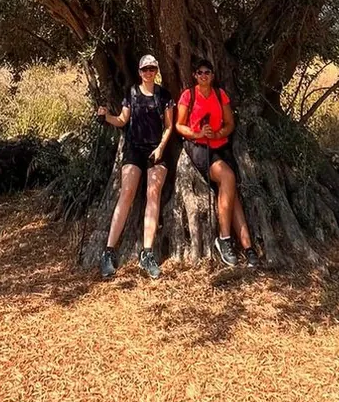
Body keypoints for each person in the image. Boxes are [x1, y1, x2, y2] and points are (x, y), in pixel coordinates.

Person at [95, 54, 174, 280]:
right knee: (127, 193)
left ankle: (147, 254)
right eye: (145, 69)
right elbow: (122, 120)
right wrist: (106, 117)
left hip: (155, 150)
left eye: (152, 69)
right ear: (139, 72)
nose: (149, 73)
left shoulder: (164, 95)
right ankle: (109, 252)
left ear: (156, 70)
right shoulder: (132, 93)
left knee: (153, 194)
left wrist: (160, 148)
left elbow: (169, 126)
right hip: (134, 149)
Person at [175, 59, 259, 268]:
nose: (204, 76)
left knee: (232, 195)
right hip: (200, 148)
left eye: (207, 72)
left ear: (212, 75)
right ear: (195, 75)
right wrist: (198, 133)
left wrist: (220, 132)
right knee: (228, 177)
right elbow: (178, 125)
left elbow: (230, 123)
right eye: (200, 72)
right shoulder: (188, 95)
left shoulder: (220, 94)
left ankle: (248, 248)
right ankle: (223, 239)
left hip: (220, 147)